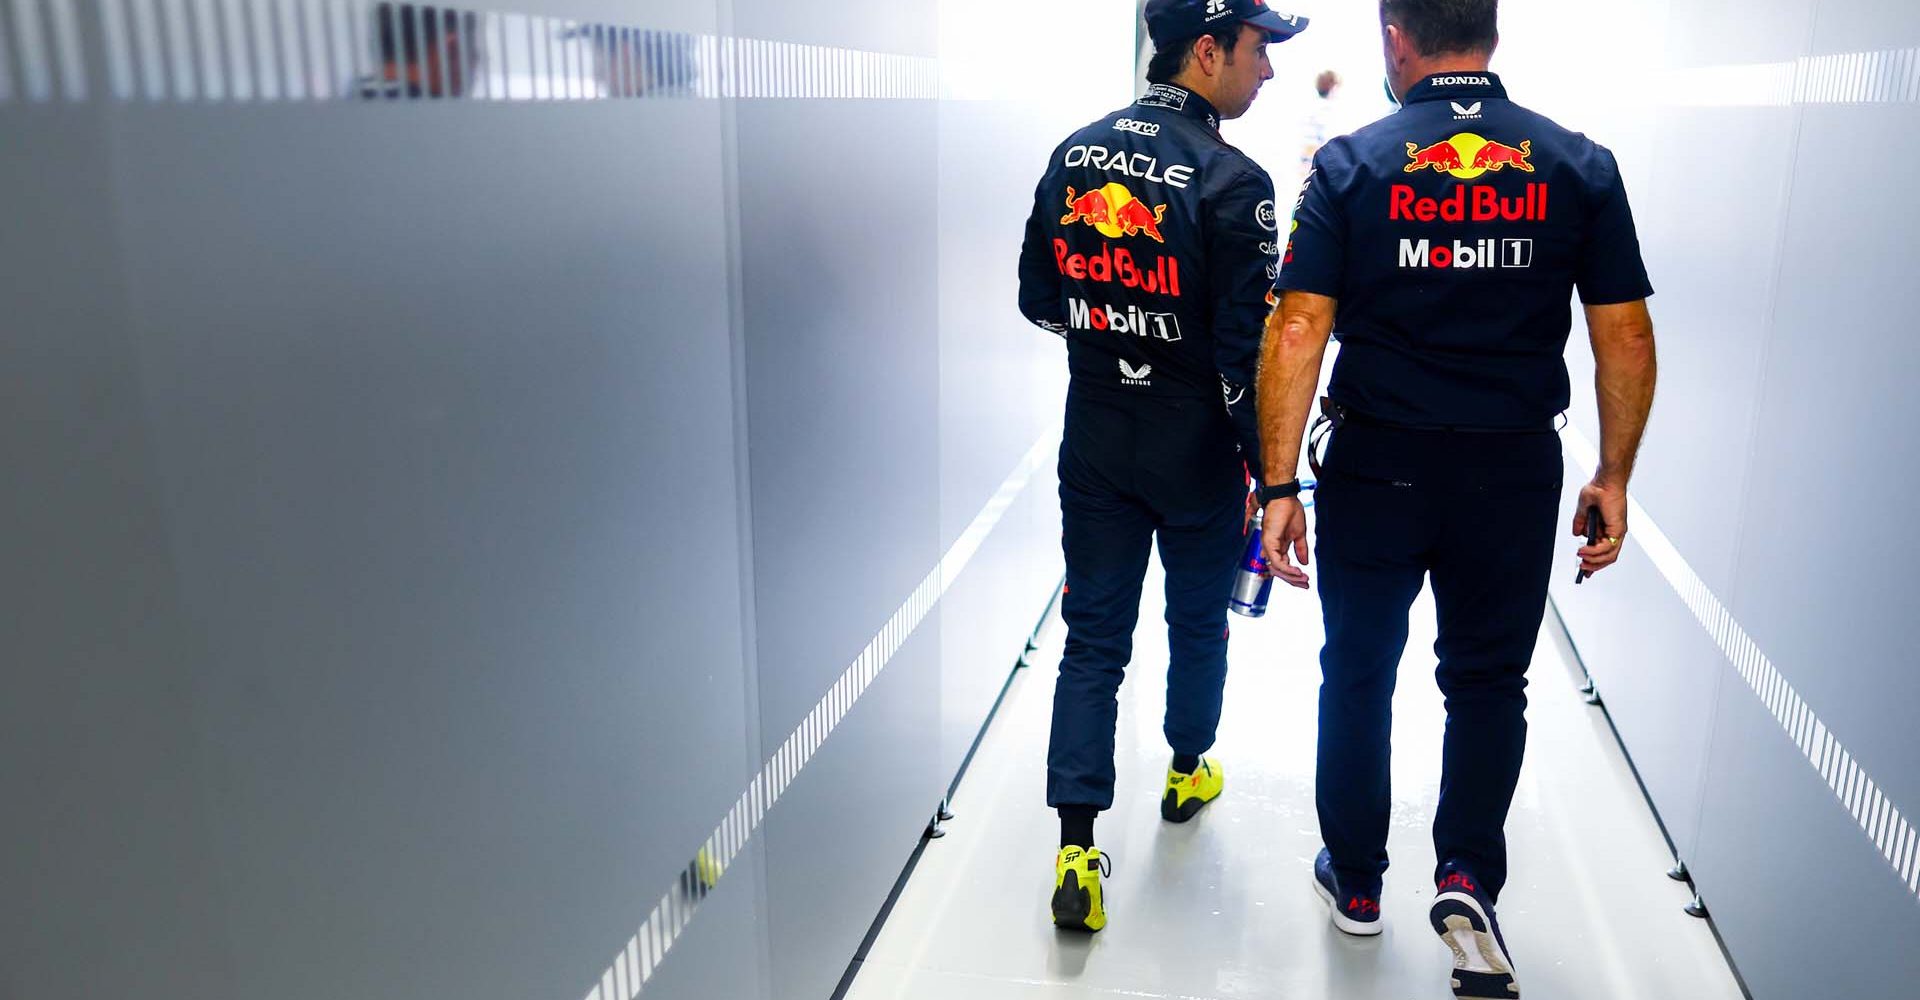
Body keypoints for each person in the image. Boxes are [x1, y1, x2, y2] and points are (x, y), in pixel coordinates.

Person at [1254, 0, 1657, 995]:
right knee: (1486, 683)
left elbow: (1299, 325)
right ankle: (1468, 871)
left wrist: (1276, 485)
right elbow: (1625, 334)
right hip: (1511, 468)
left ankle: (1354, 882)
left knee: (1357, 670)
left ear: (1396, 38)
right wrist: (1613, 473)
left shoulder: (1350, 165)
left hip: (1379, 465)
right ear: (1493, 32)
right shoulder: (1578, 167)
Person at [1016, 0, 1308, 933]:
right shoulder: (1236, 180)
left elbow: (1036, 298)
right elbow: (1243, 355)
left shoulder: (1076, 150)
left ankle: (1075, 846)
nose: (1268, 71)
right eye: (1259, 51)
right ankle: (1187, 769)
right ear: (1208, 49)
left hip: (1095, 428)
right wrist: (1271, 477)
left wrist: (1113, 339)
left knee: (1093, 637)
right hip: (1193, 444)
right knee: (1197, 625)